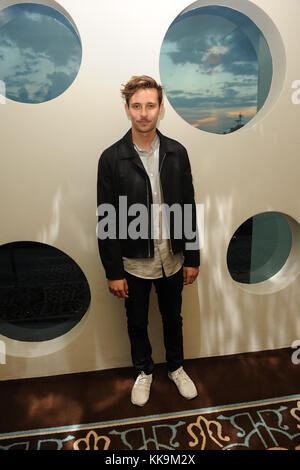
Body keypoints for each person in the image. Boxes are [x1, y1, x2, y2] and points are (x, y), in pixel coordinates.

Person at [97, 75, 200, 406]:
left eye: (150, 106)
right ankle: (144, 371)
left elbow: (187, 205)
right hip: (133, 261)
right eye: (137, 106)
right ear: (127, 109)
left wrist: (193, 256)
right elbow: (106, 217)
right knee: (137, 322)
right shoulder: (111, 158)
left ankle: (176, 367)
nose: (144, 113)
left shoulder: (177, 152)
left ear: (160, 109)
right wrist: (113, 270)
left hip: (172, 258)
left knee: (174, 319)